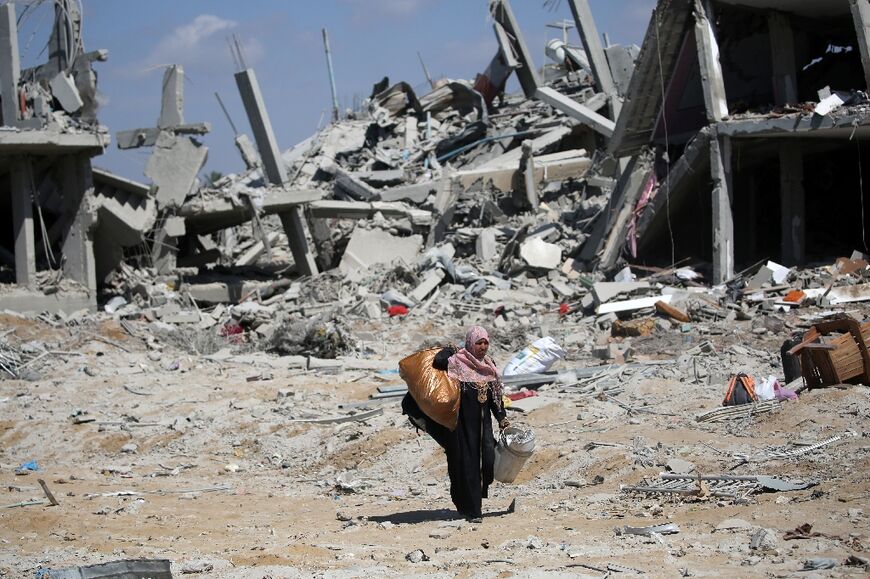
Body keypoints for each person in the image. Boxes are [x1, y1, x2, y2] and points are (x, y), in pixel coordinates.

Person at [403, 326, 510, 523]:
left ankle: (472, 502)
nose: (483, 346)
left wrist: (502, 417)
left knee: (487, 461)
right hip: (461, 426)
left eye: (485, 342)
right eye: (479, 342)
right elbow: (438, 360)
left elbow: (496, 397)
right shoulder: (458, 363)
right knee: (466, 465)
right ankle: (473, 511)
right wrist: (452, 349)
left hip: (484, 426)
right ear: (470, 343)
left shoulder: (489, 365)